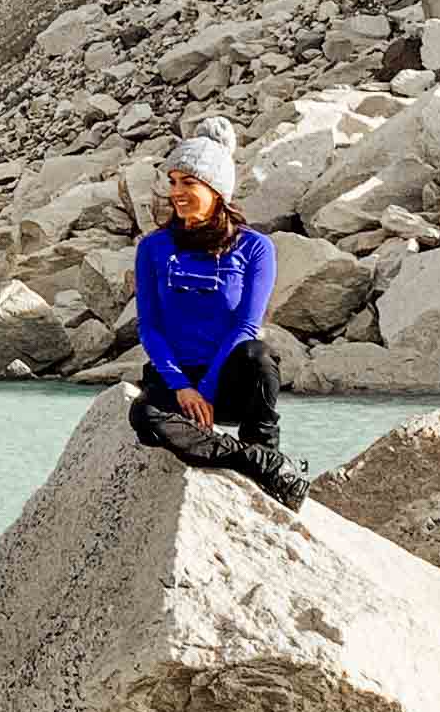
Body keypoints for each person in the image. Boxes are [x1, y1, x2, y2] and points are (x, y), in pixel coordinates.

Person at [129, 129, 309, 507]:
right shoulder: (153, 248)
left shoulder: (255, 247)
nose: (176, 192)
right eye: (173, 181)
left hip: (227, 381)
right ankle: (259, 462)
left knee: (260, 356)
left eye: (189, 182)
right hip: (176, 382)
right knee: (144, 415)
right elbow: (150, 326)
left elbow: (245, 325)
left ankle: (262, 444)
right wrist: (182, 386)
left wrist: (207, 388)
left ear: (217, 191)